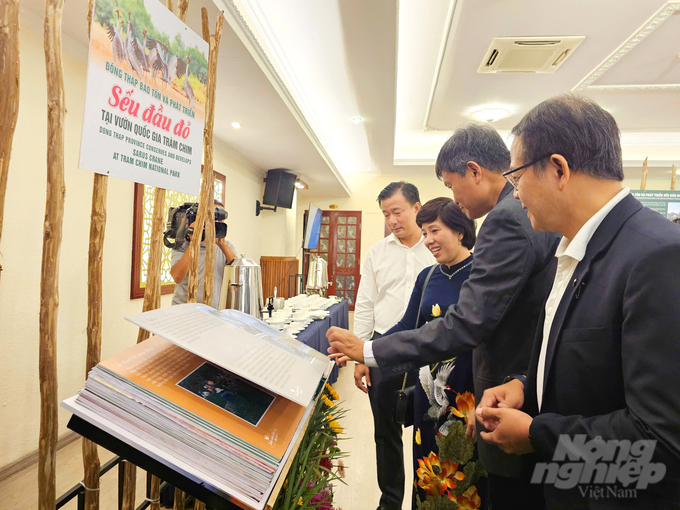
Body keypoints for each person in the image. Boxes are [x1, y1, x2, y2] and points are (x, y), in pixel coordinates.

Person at [328, 124, 560, 509]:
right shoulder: (514, 221)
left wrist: (368, 350)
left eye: (452, 185)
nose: (453, 196)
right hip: (475, 385)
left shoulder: (506, 220)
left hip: (489, 391)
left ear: (474, 171)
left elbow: (466, 325)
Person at [475, 94, 680, 509]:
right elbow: (596, 372)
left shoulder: (655, 255)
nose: (515, 195)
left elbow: (659, 438)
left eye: (516, 178)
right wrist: (524, 386)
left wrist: (536, 434)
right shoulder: (572, 251)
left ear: (558, 169)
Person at [381, 197, 481, 508]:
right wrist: (365, 351)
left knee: (465, 476)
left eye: (434, 230)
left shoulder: (482, 274)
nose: (428, 240)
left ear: (460, 231)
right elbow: (407, 325)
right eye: (424, 232)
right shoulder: (427, 277)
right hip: (427, 399)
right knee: (428, 474)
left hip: (468, 394)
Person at [353, 181, 435, 510]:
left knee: (428, 430)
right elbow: (365, 304)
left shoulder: (436, 247)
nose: (392, 220)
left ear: (417, 208)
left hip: (429, 353)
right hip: (383, 351)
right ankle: (389, 502)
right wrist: (360, 355)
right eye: (386, 214)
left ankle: (425, 499)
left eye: (397, 211)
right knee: (385, 434)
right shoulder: (377, 253)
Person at [170, 199, 237, 309]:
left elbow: (237, 276)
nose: (215, 223)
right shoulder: (183, 244)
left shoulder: (226, 246)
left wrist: (222, 244)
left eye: (220, 220)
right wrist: (194, 242)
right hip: (184, 311)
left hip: (214, 311)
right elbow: (177, 277)